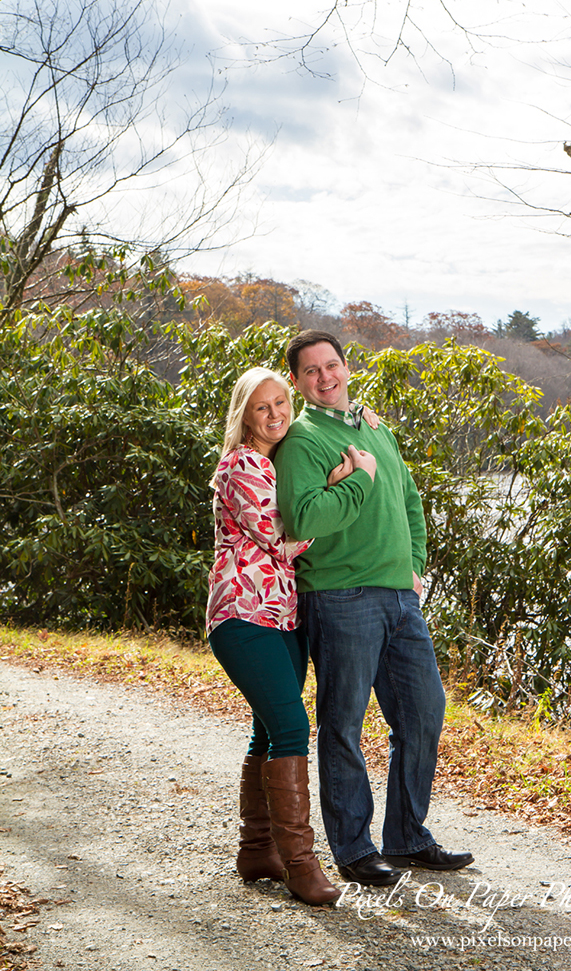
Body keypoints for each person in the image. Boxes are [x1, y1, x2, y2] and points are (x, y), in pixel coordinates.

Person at [275, 330, 474, 887]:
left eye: (331, 365)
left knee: (423, 713)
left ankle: (408, 837)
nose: (324, 377)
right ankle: (355, 848)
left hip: (399, 596)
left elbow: (409, 499)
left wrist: (414, 565)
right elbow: (306, 518)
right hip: (340, 596)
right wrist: (360, 478)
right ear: (297, 380)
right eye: (310, 371)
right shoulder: (303, 440)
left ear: (345, 366)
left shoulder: (372, 428)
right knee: (343, 723)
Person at [207, 367, 347, 906]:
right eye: (263, 407)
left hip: (280, 616)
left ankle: (256, 849)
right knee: (291, 728)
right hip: (243, 614)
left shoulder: (272, 461)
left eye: (281, 404)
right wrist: (337, 487)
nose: (275, 414)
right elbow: (284, 538)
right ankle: (301, 866)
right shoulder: (242, 464)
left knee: (266, 733)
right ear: (244, 414)